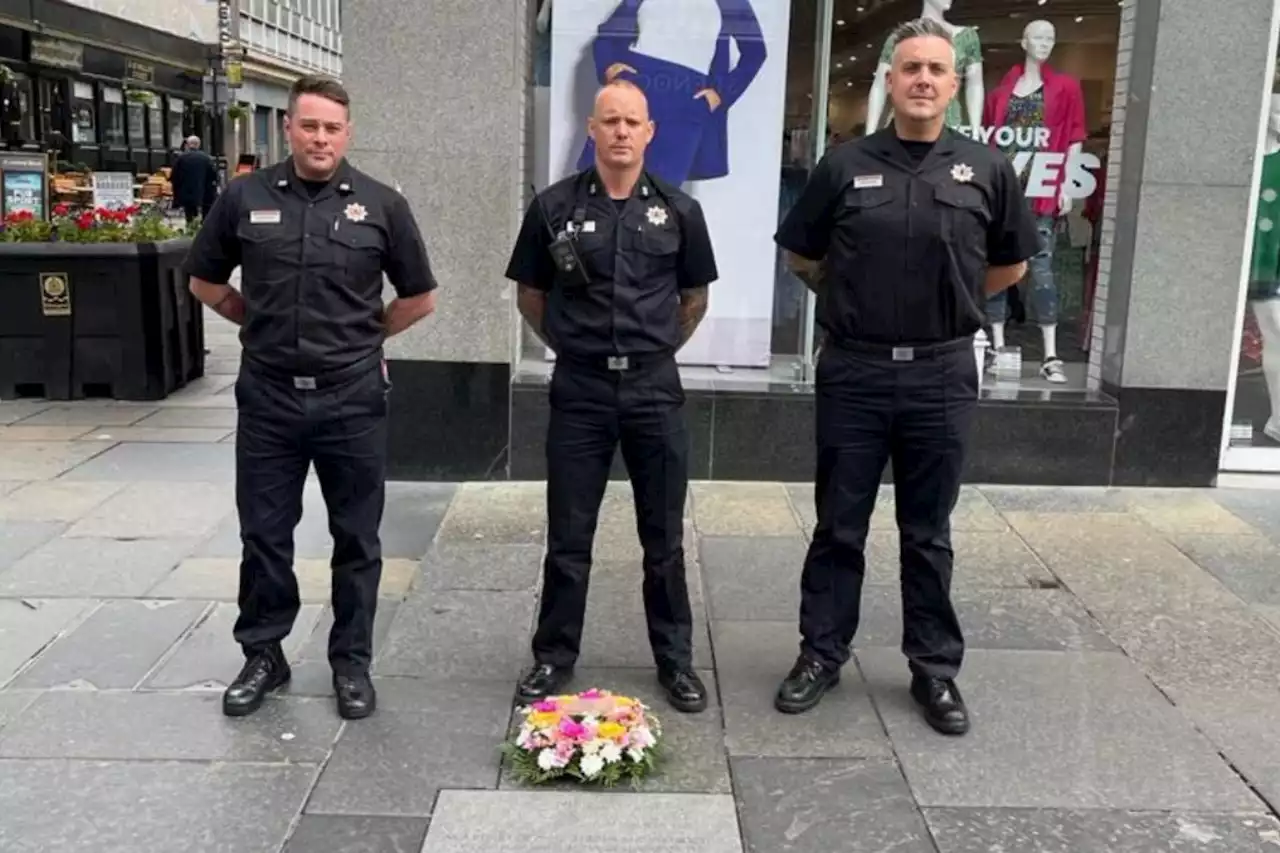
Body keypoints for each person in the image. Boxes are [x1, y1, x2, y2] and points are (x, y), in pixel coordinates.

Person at [771, 18, 1039, 735]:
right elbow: (800, 252)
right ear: (889, 80)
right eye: (910, 67)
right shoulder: (843, 164)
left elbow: (1011, 262)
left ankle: (934, 670)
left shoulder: (985, 168)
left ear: (954, 86)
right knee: (838, 524)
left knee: (928, 531)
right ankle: (821, 654)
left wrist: (951, 296)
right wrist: (849, 292)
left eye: (936, 70)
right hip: (855, 370)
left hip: (942, 373)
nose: (922, 79)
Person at [182, 74, 438, 721]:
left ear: (347, 133)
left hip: (352, 397)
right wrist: (256, 322)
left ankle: (350, 661)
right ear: (289, 128)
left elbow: (419, 297)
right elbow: (204, 280)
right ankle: (264, 652)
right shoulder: (244, 197)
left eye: (332, 127)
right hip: (268, 397)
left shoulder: (381, 205)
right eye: (309, 125)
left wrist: (364, 336)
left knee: (357, 536)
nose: (320, 137)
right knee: (265, 533)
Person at [505, 79, 718, 713]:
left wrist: (650, 354)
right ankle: (553, 657)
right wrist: (576, 346)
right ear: (592, 130)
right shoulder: (551, 208)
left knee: (664, 537)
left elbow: (694, 300)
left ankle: (675, 661)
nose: (622, 132)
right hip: (582, 388)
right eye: (610, 121)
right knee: (569, 534)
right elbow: (531, 296)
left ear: (650, 132)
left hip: (654, 388)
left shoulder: (680, 210)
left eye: (633, 122)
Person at [171, 135, 219, 226]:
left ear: (188, 145)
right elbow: (213, 175)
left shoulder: (181, 158)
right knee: (205, 211)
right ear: (198, 145)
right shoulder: (206, 158)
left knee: (189, 212)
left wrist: (177, 191)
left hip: (186, 191)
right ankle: (203, 226)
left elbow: (174, 176)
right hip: (203, 191)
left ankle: (190, 226)